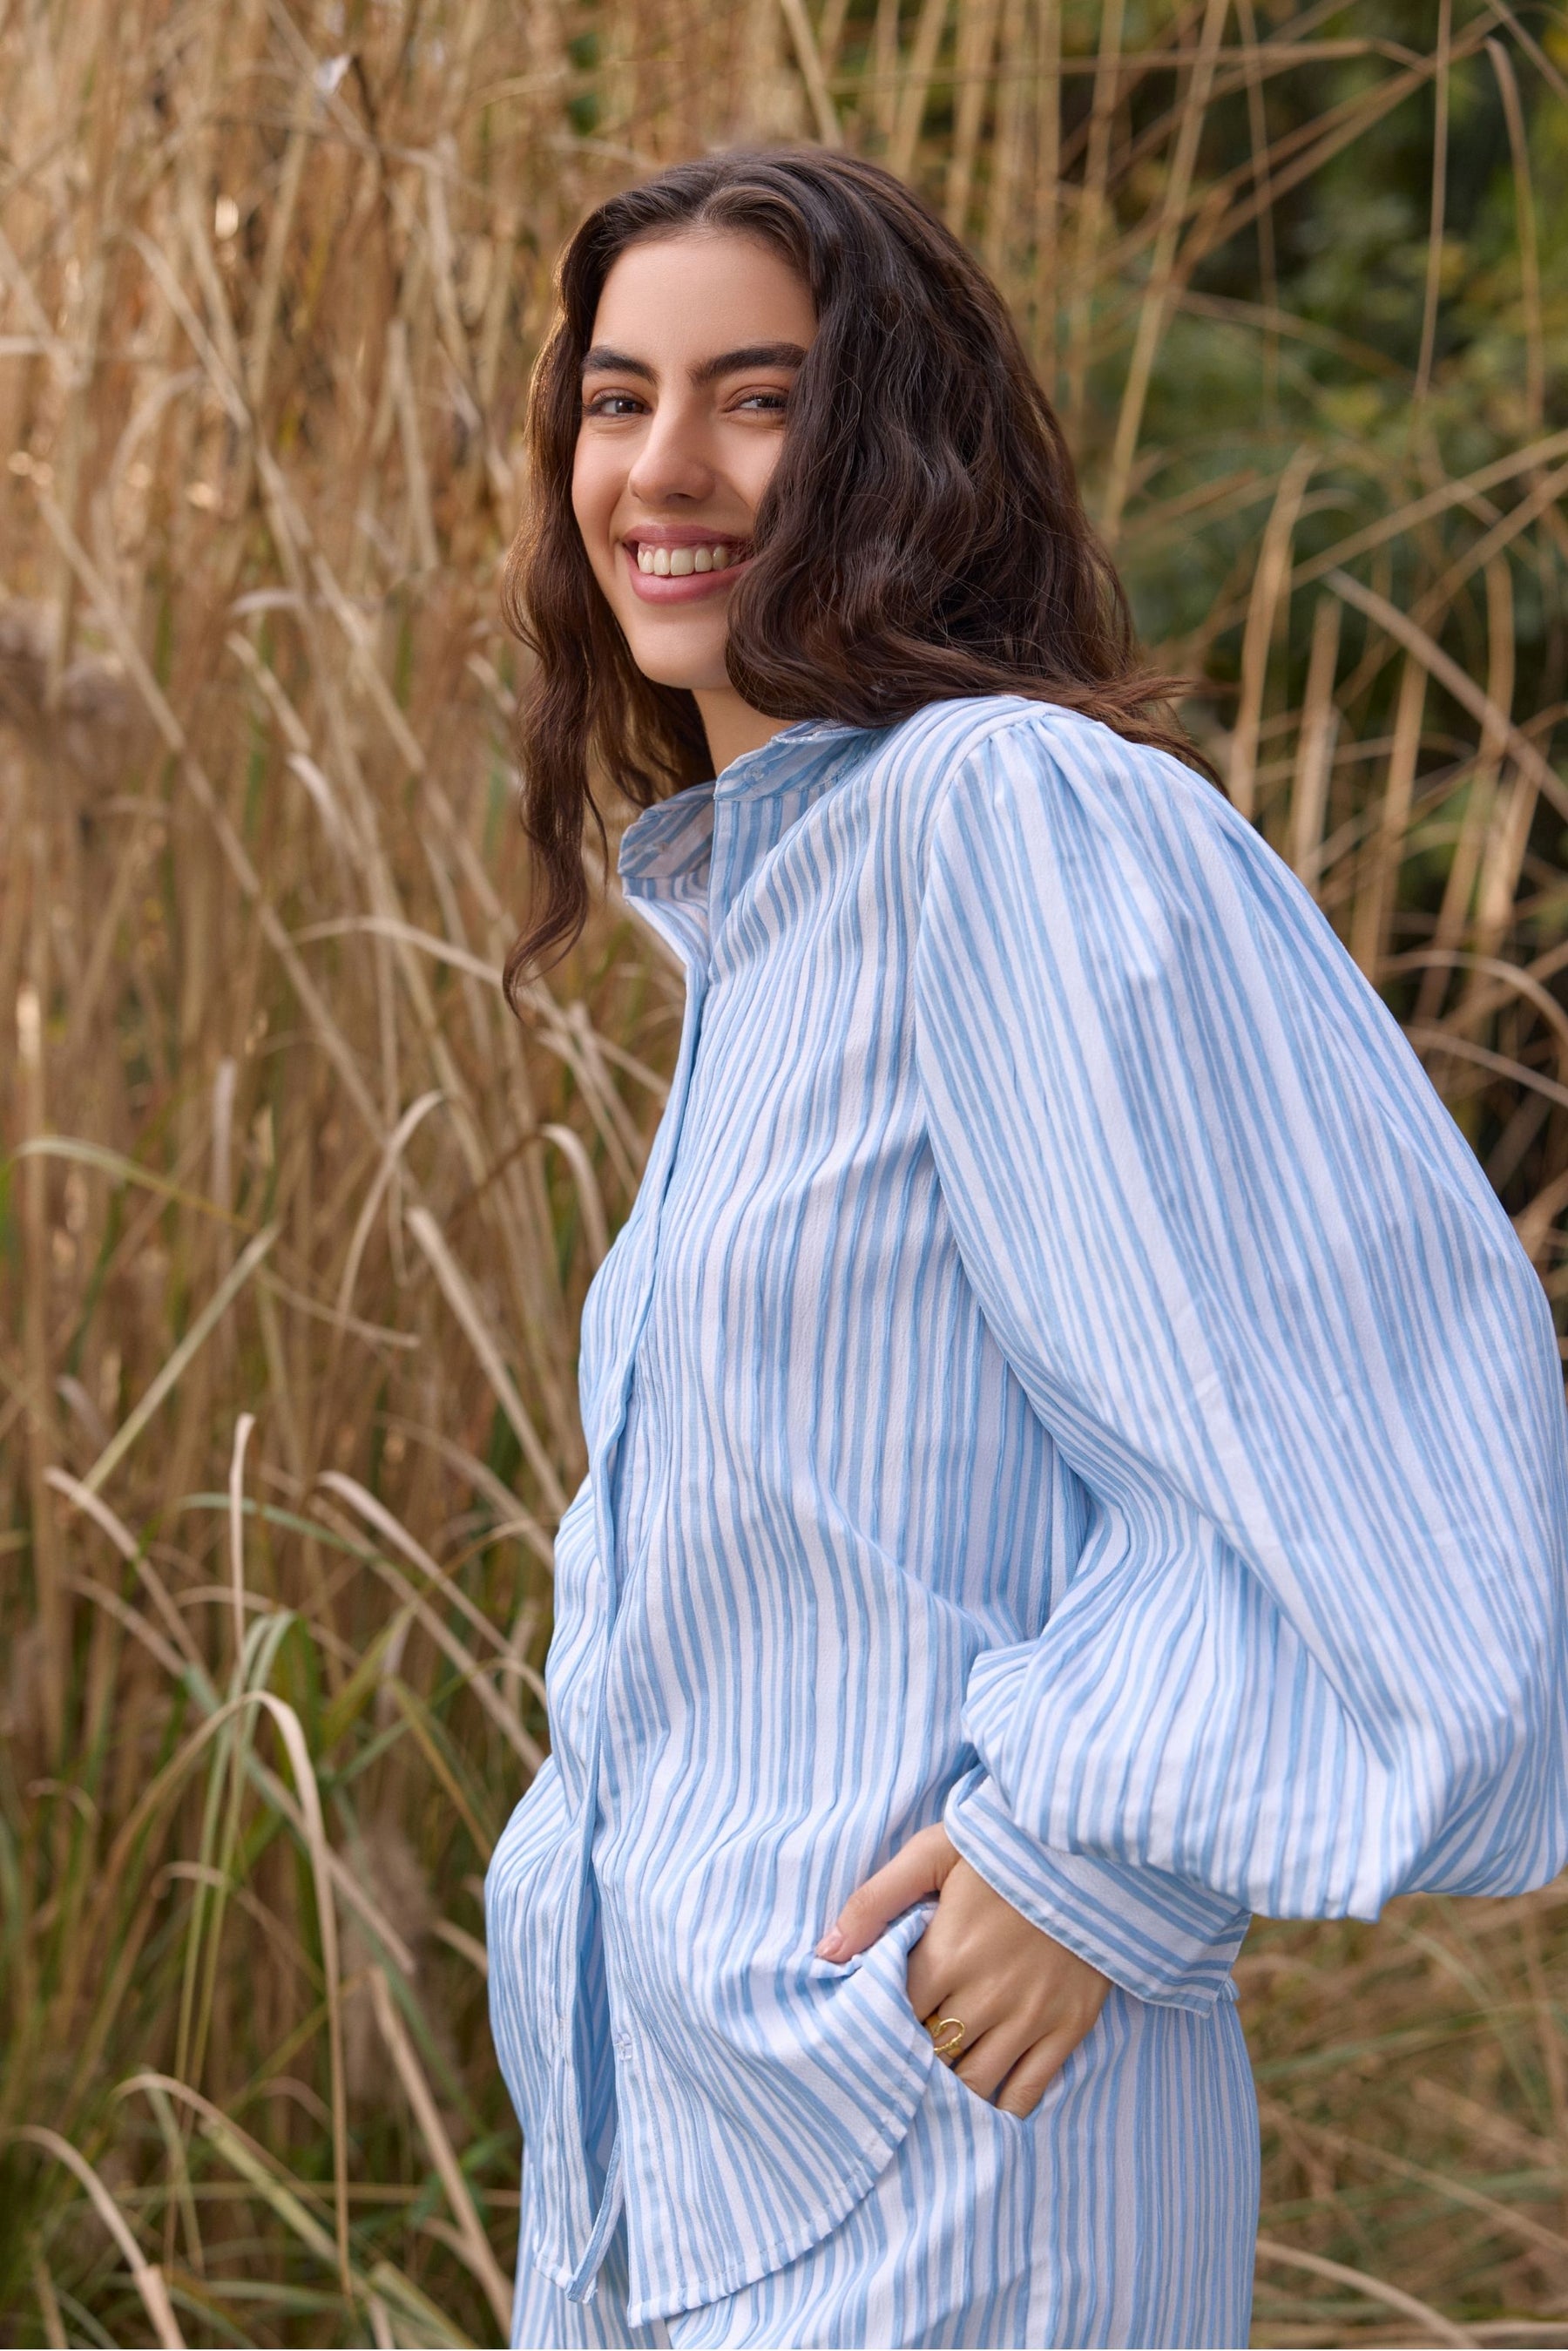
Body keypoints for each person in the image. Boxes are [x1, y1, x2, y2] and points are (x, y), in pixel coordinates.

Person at [483, 148, 1568, 2350]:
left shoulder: (1009, 816)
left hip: (954, 2160)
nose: (663, 468)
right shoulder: (766, 911)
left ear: (895, 440)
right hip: (675, 2154)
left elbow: (1398, 1446)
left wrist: (1099, 1849)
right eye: (617, 399)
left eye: (756, 399)